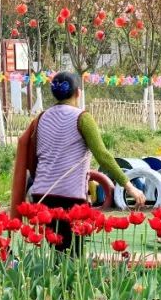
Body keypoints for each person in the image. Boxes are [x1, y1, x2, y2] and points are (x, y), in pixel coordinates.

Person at [10, 72, 144, 255]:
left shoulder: (41, 118)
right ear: (78, 93)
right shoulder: (82, 118)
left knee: (55, 254)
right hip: (70, 198)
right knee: (73, 256)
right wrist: (129, 186)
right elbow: (103, 155)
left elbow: (35, 157)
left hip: (43, 195)